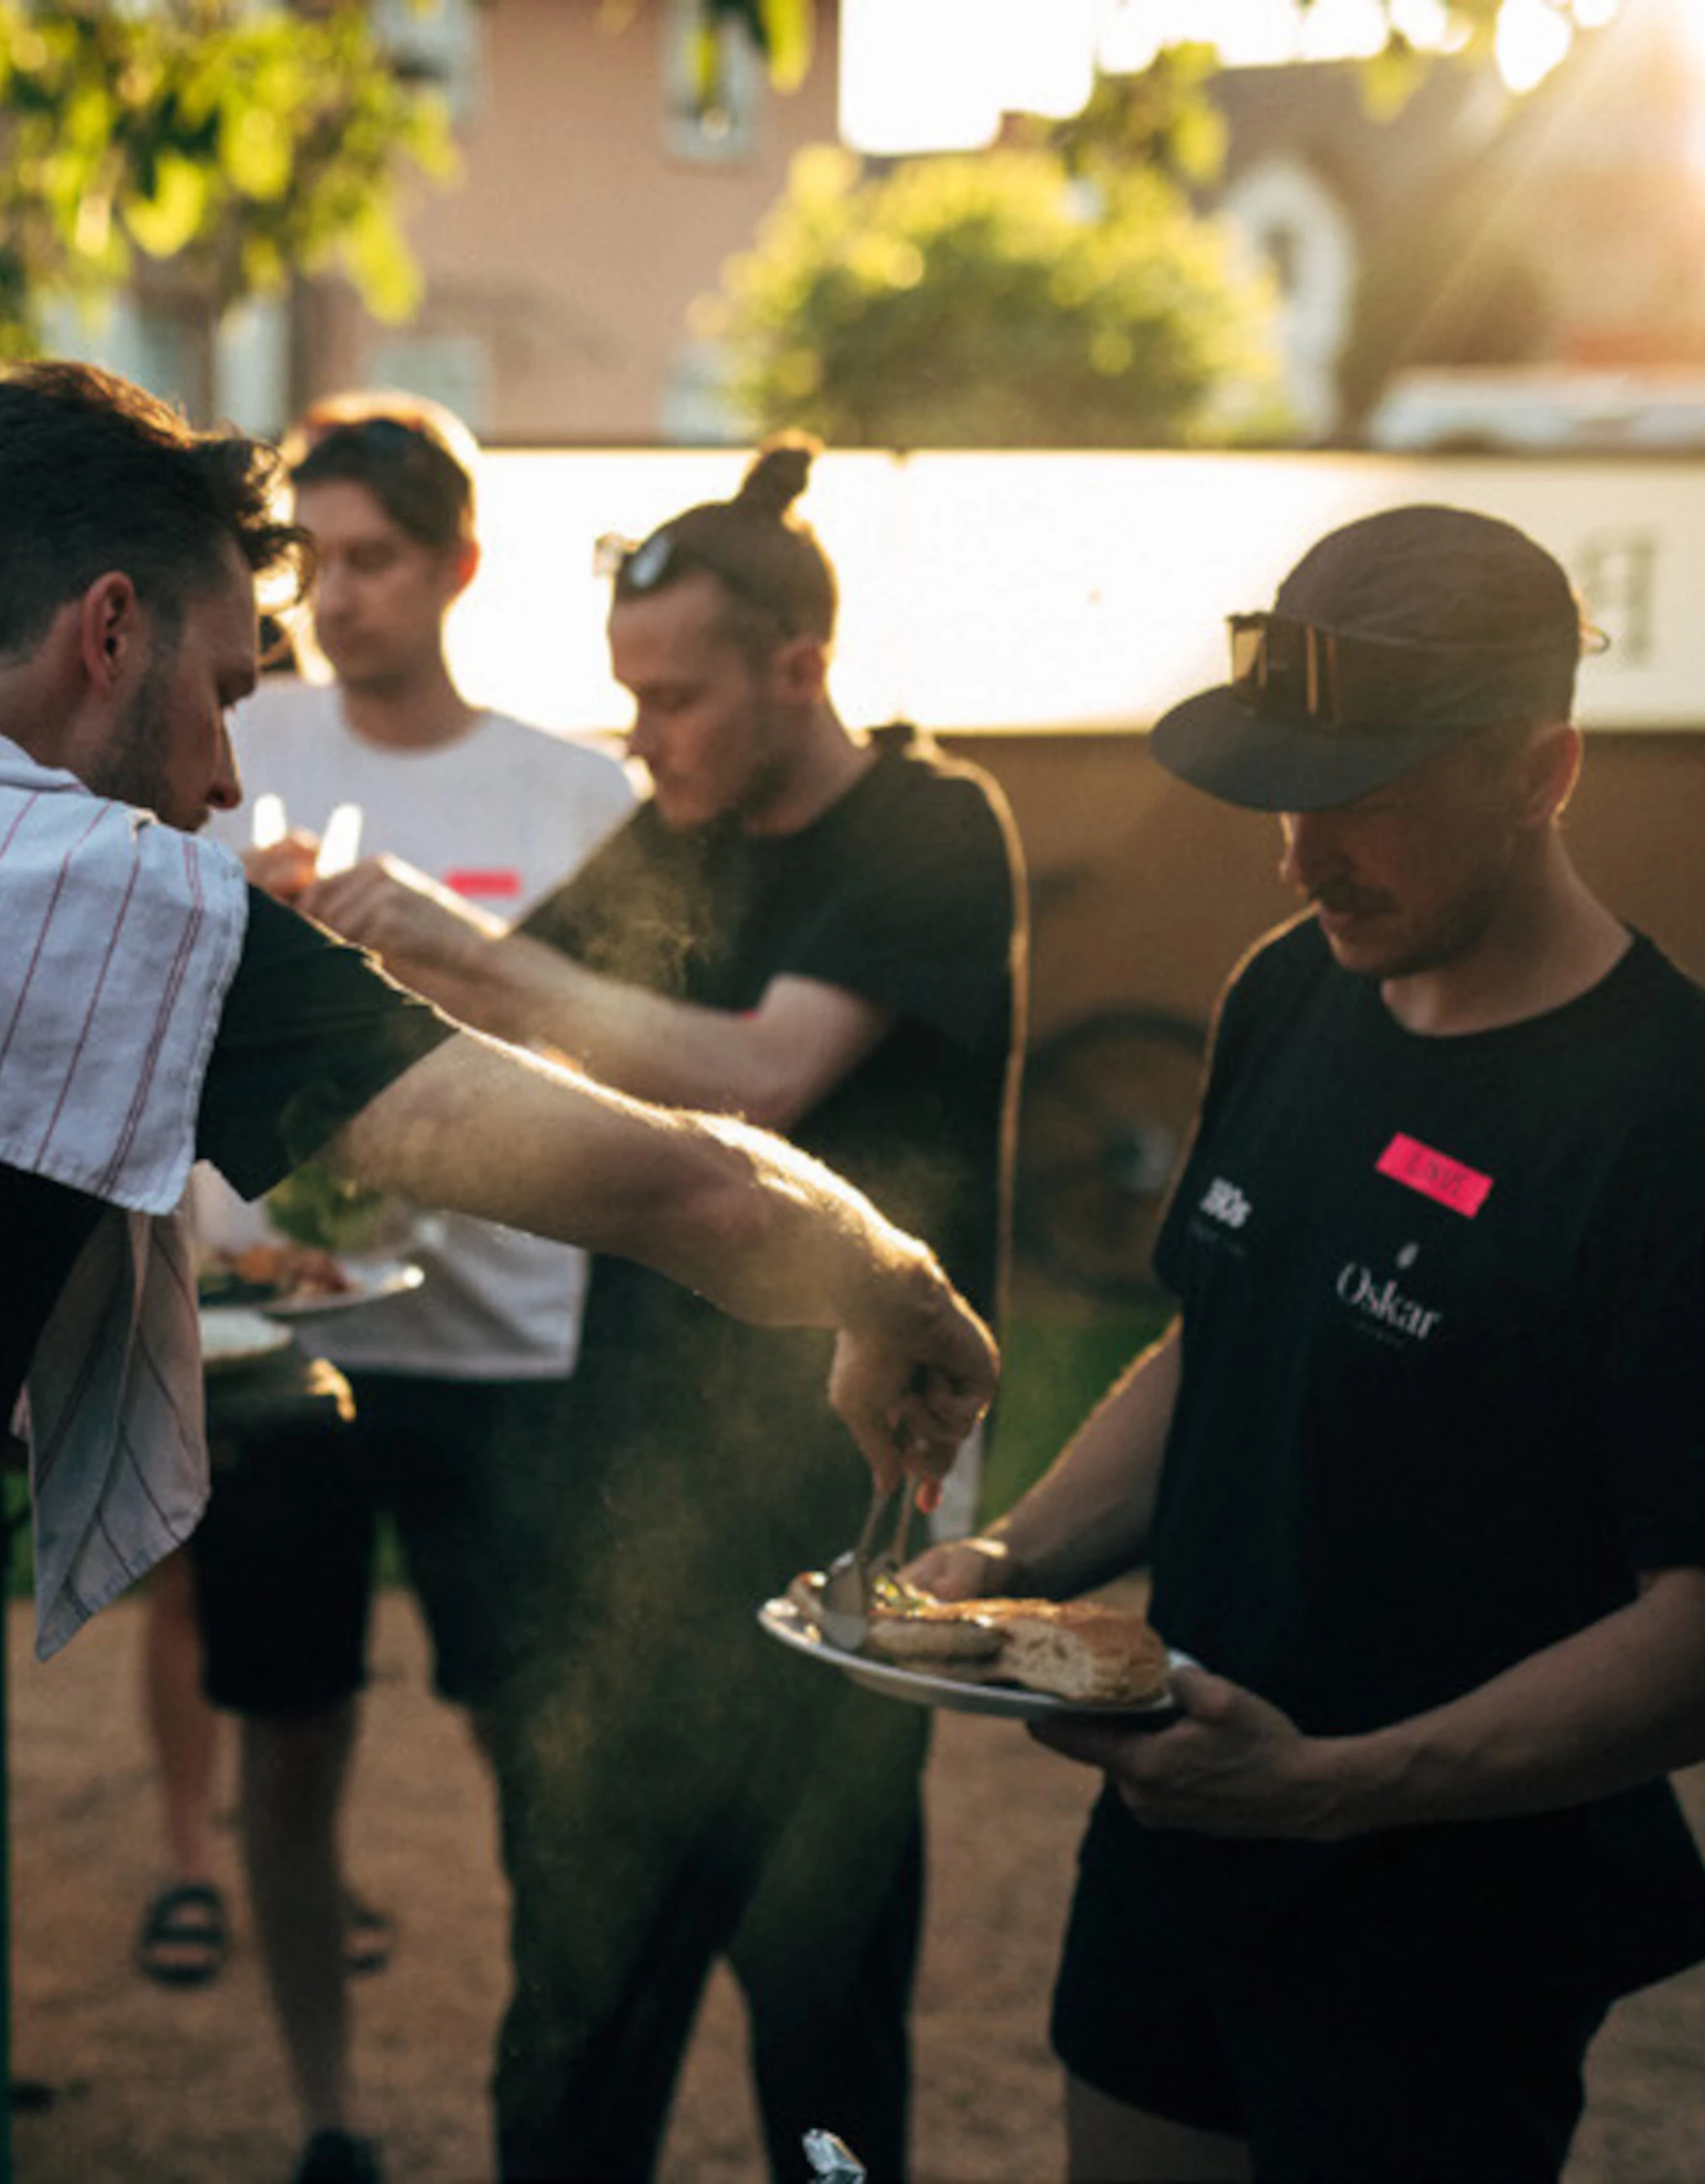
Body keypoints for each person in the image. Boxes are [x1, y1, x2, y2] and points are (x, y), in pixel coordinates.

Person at [0, 362, 998, 2176]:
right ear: (109, 630)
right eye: (224, 697)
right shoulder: (91, 892)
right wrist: (889, 1279)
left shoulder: (898, 828)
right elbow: (676, 1188)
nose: (224, 775)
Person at [911, 503, 1705, 2184]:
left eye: (1366, 798)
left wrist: (1335, 1784)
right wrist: (1001, 1563)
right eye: (1287, 794)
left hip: (1448, 1918)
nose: (1301, 855)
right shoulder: (1291, 986)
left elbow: (1694, 1629)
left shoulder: (1665, 1117)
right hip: (1177, 1838)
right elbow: (1218, 1344)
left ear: (1542, 771)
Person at [277, 435, 1025, 2181]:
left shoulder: (926, 828)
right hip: (622, 1488)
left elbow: (762, 1074)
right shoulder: (678, 824)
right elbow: (491, 1033)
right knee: (579, 1985)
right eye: (628, 698)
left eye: (675, 700)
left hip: (846, 1491)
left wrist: (470, 947)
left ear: (800, 670)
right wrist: (333, 962)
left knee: (825, 1990)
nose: (645, 737)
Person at [176, 393, 636, 2170]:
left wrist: (461, 954)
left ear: (458, 565)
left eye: (374, 558)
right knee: (291, 1737)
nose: (340, 594)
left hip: (509, 1338)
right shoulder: (230, 739)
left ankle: (560, 2100)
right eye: (313, 560)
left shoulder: (573, 789)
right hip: (278, 1331)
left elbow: (627, 1055)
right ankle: (330, 2115)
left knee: (535, 1741)